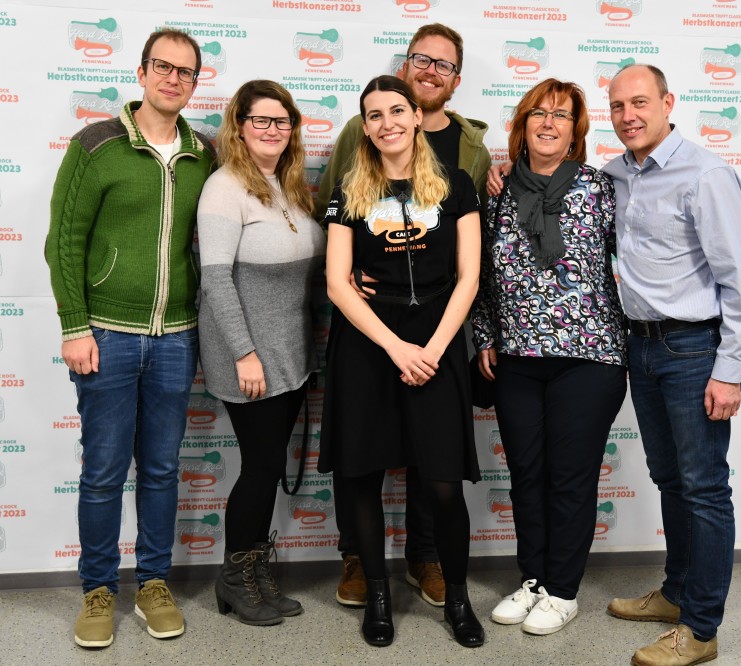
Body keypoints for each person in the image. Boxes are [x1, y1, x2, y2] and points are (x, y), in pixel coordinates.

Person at [46, 28, 215, 648]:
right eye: (162, 67)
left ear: (195, 83)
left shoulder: (204, 154)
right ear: (142, 72)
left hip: (176, 338)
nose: (173, 79)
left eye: (185, 72)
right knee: (103, 471)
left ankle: (152, 584)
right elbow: (64, 241)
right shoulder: (97, 145)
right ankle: (97, 590)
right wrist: (74, 326)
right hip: (106, 336)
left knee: (163, 469)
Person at [314, 22, 491, 610]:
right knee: (361, 475)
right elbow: (337, 283)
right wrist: (396, 348)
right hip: (369, 343)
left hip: (437, 341)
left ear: (417, 116)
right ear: (364, 128)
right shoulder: (348, 189)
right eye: (375, 115)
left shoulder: (457, 184)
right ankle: (378, 598)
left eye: (397, 110)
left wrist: (433, 351)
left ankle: (457, 599)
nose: (387, 122)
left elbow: (470, 276)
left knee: (442, 483)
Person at [603, 64, 741, 666]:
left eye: (640, 103)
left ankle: (700, 628)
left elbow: (739, 282)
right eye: (617, 106)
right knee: (670, 479)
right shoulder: (615, 174)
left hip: (695, 351)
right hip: (641, 347)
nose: (628, 116)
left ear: (668, 103)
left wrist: (729, 369)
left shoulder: (706, 174)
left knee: (704, 489)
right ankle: (675, 594)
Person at [471, 79, 627, 636]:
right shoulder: (496, 192)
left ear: (575, 131)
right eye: (538, 112)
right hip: (517, 357)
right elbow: (481, 274)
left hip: (590, 356)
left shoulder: (600, 188)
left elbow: (637, 258)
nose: (548, 122)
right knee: (526, 475)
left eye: (561, 115)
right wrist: (485, 335)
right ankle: (533, 579)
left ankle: (563, 590)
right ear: (522, 124)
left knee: (570, 478)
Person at [196, 80, 325, 626]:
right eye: (261, 121)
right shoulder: (225, 187)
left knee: (268, 467)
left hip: (291, 351)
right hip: (248, 355)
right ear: (240, 126)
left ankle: (253, 570)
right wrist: (244, 352)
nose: (273, 130)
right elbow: (216, 279)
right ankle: (234, 580)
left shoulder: (290, 184)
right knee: (261, 466)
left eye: (282, 121)